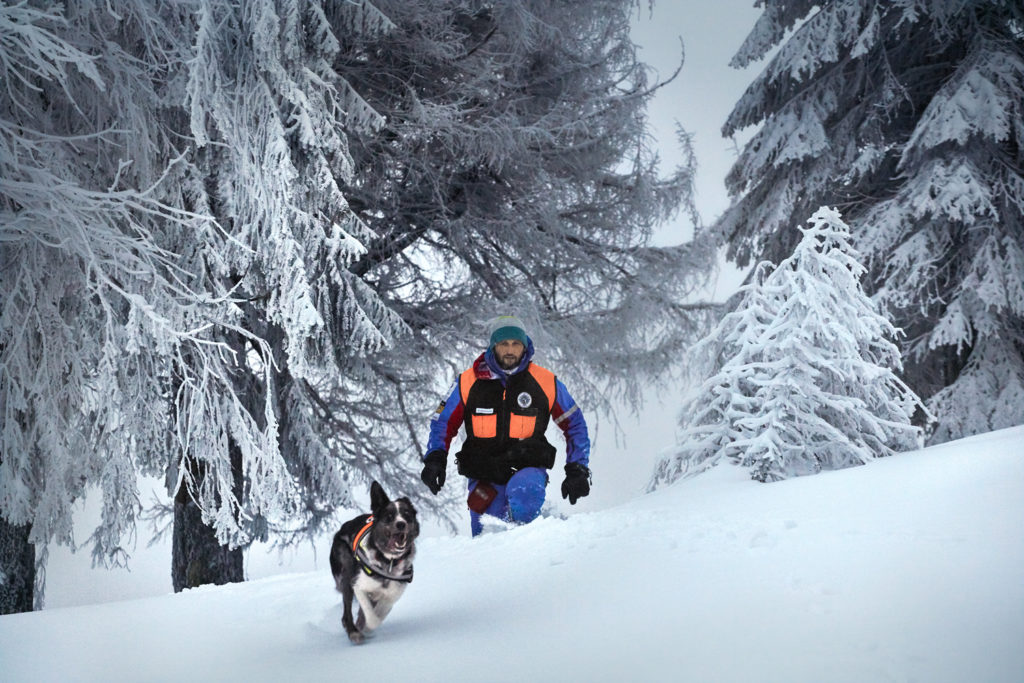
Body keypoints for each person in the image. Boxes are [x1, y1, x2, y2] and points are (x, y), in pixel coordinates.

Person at [420, 315, 591, 536]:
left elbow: (574, 423)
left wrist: (577, 469)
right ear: (493, 346)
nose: (510, 350)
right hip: (484, 475)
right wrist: (435, 458)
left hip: (527, 469)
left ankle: (540, 552)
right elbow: (442, 422)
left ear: (525, 346)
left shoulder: (545, 382)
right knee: (489, 537)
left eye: (516, 344)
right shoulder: (467, 382)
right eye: (503, 344)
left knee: (525, 494)